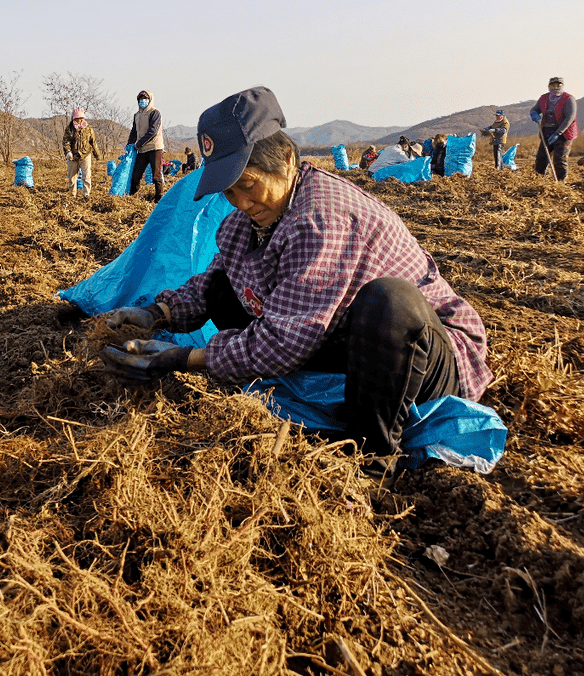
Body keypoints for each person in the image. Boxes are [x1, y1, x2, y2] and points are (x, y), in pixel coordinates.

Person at [100, 86, 492, 477]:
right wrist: (157, 313)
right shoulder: (249, 221)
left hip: (420, 357)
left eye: (248, 185)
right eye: (229, 191)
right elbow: (212, 282)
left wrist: (183, 359)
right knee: (225, 291)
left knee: (387, 300)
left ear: (286, 160)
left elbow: (285, 341)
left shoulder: (320, 218)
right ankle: (326, 398)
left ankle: (374, 454)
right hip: (343, 338)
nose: (241, 202)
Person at [530, 77, 578, 182]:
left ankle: (561, 182)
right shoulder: (544, 98)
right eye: (553, 85)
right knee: (541, 159)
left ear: (562, 86)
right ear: (549, 86)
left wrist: (558, 133)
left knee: (560, 159)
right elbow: (535, 109)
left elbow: (569, 118)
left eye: (558, 85)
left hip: (563, 133)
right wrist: (534, 113)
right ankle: (539, 181)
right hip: (546, 131)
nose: (555, 88)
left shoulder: (569, 99)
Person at [127, 90, 165, 201]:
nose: (142, 101)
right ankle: (131, 196)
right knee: (136, 175)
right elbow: (134, 131)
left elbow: (152, 132)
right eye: (140, 99)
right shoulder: (137, 115)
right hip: (142, 149)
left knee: (156, 175)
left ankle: (159, 197)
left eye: (145, 99)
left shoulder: (154, 113)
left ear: (150, 100)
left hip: (154, 148)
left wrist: (138, 144)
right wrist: (129, 144)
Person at [62, 108, 101, 199]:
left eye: (81, 118)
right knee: (72, 177)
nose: (79, 120)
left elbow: (93, 142)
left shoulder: (88, 128)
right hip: (73, 156)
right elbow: (66, 142)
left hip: (85, 155)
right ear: (74, 118)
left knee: (86, 176)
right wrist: (68, 152)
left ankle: (86, 195)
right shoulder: (70, 129)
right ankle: (72, 195)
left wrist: (97, 154)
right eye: (77, 118)